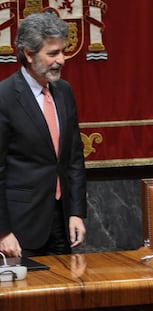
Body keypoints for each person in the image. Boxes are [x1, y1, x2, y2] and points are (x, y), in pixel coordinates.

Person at [0, 12, 87, 258]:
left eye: (62, 51)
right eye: (52, 54)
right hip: (19, 230)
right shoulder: (4, 97)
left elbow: (74, 158)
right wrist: (2, 232)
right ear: (28, 54)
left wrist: (76, 212)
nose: (61, 60)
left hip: (62, 224)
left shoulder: (64, 91)